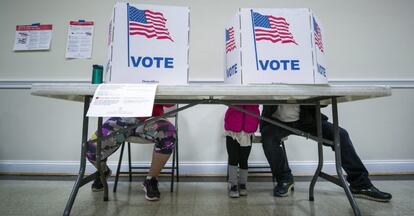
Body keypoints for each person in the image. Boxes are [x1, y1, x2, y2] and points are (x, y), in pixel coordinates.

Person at [260, 104, 392, 202]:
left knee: (340, 135)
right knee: (268, 138)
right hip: (276, 121)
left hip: (307, 119)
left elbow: (323, 100)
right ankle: (284, 179)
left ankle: (361, 184)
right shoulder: (269, 70)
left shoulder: (306, 70)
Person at [86, 104, 176, 201]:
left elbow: (171, 103)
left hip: (152, 118)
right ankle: (103, 172)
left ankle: (151, 179)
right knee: (91, 149)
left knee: (169, 134)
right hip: (122, 117)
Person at [224, 105, 260, 198]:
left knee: (244, 159)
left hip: (248, 130)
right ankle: (233, 185)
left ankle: (243, 184)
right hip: (232, 130)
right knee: (233, 157)